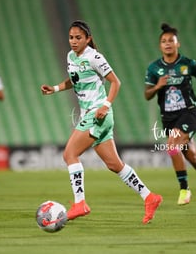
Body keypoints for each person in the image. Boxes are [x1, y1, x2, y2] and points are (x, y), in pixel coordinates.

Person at [41, 20, 162, 224]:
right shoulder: (71, 56)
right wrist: (54, 89)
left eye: (78, 37)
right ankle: (150, 197)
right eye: (71, 37)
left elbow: (116, 82)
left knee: (70, 154)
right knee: (115, 165)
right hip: (94, 115)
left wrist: (105, 105)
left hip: (97, 113)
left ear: (88, 39)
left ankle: (80, 203)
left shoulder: (94, 57)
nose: (73, 41)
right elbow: (76, 80)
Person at [144, 23, 196, 205]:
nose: (167, 44)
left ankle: (184, 189)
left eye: (171, 41)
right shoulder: (154, 69)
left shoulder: (188, 64)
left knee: (172, 145)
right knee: (193, 158)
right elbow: (147, 94)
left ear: (177, 44)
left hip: (188, 113)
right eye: (164, 41)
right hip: (168, 118)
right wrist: (158, 86)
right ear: (160, 46)